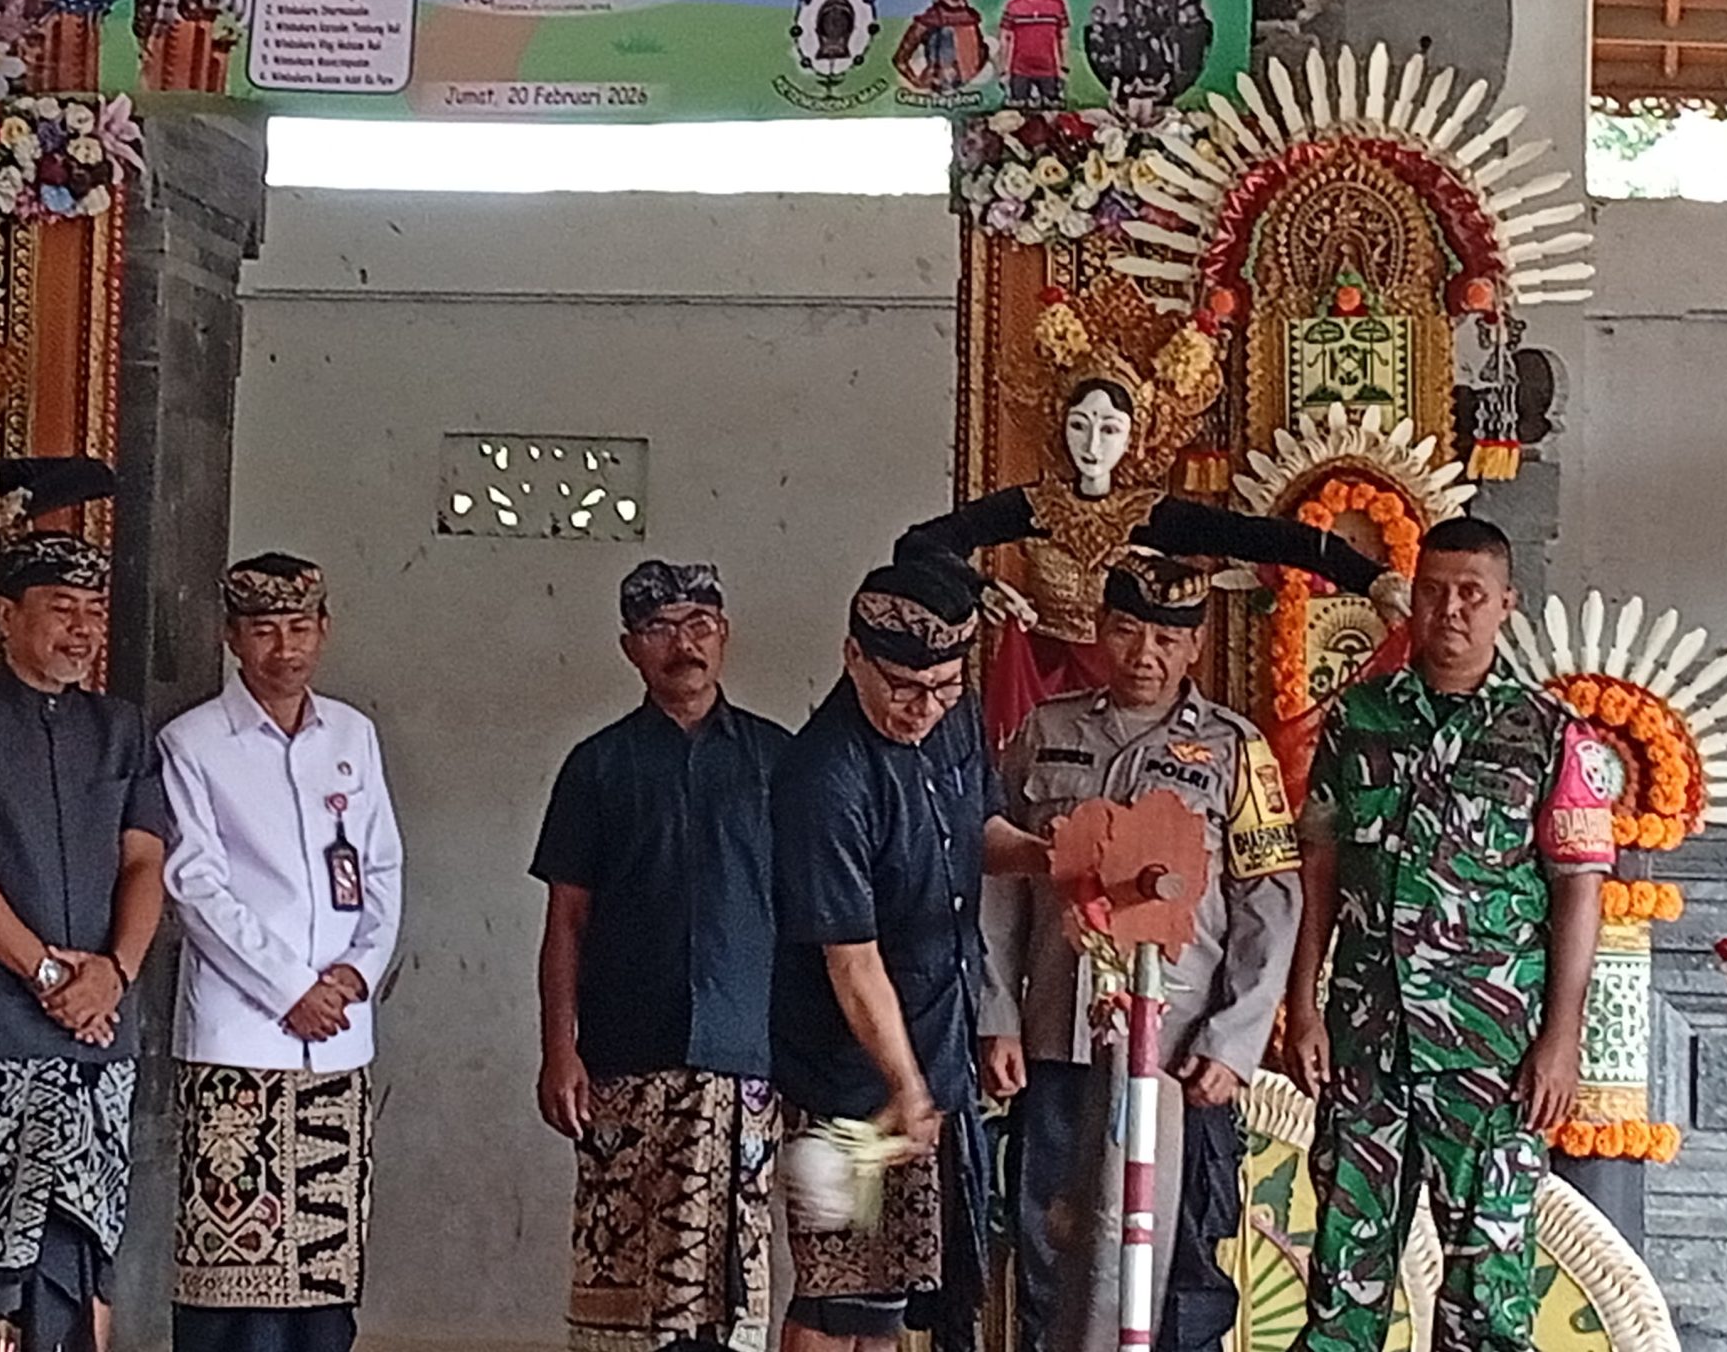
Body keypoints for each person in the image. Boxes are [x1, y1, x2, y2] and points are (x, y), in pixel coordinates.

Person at [1282, 517, 1615, 1352]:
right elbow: (1318, 868)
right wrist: (1304, 1006)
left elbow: (1579, 890)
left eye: (1471, 594)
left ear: (1508, 603)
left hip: (1491, 1051)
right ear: (1413, 599)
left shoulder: (1547, 732)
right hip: (1366, 1040)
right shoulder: (1356, 718)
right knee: (1342, 1289)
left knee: (1487, 1298)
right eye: (1434, 592)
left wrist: (1562, 1038)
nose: (1451, 611)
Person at [980, 556, 1302, 1352]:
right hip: (1060, 1045)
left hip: (1182, 1059)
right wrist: (998, 1016)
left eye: (1167, 636)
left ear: (1195, 645)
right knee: (1053, 1255)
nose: (1145, 654)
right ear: (1099, 632)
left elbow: (1272, 901)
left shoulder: (1237, 752)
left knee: (1182, 1274)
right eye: (1127, 631)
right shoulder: (1045, 732)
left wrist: (1235, 1041)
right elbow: (999, 888)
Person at [895, 286, 1408, 752]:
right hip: (1039, 691)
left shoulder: (1154, 516)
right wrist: (976, 586)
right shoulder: (1030, 508)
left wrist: (1370, 578)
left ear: (1134, 436)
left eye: (1110, 430)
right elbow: (919, 546)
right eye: (1080, 426)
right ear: (1059, 426)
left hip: (1138, 685)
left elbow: (1272, 540)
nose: (1093, 446)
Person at [769, 558, 1048, 1352]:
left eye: (946, 688)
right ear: (853, 655)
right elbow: (851, 961)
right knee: (836, 1295)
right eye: (903, 687)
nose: (924, 709)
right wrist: (905, 1089)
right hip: (848, 1077)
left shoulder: (950, 717)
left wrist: (1048, 856)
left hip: (931, 1050)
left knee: (889, 1295)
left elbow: (977, 835)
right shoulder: (824, 776)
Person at [0, 531, 169, 1352]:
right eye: (61, 610)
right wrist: (51, 973)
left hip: (98, 1031)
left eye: (93, 612)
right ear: (2, 616)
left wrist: (116, 973)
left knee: (84, 1246)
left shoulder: (121, 727)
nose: (82, 630)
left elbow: (146, 860)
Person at [531, 560, 789, 1352]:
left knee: (731, 1300)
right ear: (629, 648)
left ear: (725, 636)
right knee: (626, 1298)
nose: (685, 646)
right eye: (661, 630)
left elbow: (812, 924)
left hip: (748, 1063)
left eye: (700, 626)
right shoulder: (597, 766)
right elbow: (567, 923)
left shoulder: (779, 762)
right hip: (624, 1066)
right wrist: (558, 1052)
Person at [158, 554, 405, 1352]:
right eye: (264, 630)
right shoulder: (193, 742)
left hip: (339, 1038)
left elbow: (382, 868)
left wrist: (356, 972)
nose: (284, 649)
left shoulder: (352, 735)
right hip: (241, 1037)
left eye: (300, 628)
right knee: (236, 1278)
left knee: (324, 1274)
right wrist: (291, 984)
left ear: (324, 631)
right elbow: (194, 885)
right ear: (233, 637)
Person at [996, 0, 1072, 109]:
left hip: (1048, 71)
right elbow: (1004, 38)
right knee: (1017, 117)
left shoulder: (1057, 5)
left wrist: (1064, 67)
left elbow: (1064, 37)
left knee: (1052, 116)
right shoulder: (1013, 6)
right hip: (1019, 71)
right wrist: (1004, 69)